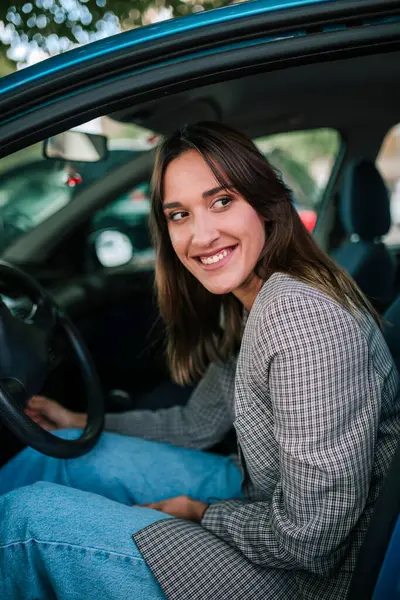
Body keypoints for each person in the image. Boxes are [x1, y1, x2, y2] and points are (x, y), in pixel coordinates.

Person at [1, 122, 399, 600]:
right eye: (178, 214)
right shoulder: (256, 297)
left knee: (27, 520)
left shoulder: (299, 317)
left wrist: (197, 512)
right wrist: (78, 418)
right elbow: (197, 423)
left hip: (316, 582)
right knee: (62, 449)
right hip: (261, 493)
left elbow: (309, 540)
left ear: (265, 202)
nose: (201, 235)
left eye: (222, 201)